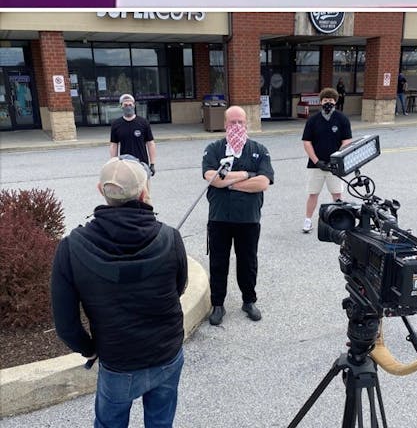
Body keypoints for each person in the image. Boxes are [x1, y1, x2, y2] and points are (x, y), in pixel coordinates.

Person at [51, 156, 187, 428]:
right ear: (144, 192)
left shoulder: (72, 247)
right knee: (161, 423)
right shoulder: (170, 238)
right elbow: (178, 287)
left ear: (101, 191)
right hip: (166, 354)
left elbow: (66, 324)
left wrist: (89, 350)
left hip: (118, 361)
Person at [201, 106, 274, 326]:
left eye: (240, 122)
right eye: (232, 122)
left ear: (247, 123)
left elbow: (263, 182)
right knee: (218, 263)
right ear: (225, 124)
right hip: (219, 218)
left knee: (248, 262)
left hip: (248, 219)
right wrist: (245, 175)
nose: (237, 126)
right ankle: (218, 304)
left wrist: (228, 183)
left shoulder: (259, 149)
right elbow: (212, 178)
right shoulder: (214, 148)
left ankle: (249, 301)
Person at [301, 87, 353, 234]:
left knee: (337, 194)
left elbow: (347, 141)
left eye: (330, 100)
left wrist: (335, 158)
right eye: (325, 100)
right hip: (316, 165)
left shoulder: (342, 119)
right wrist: (317, 161)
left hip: (334, 166)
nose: (328, 102)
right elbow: (307, 142)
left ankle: (339, 220)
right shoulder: (313, 120)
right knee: (313, 194)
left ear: (335, 102)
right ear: (320, 102)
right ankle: (307, 220)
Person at [110, 93, 156, 171]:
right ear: (121, 106)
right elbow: (114, 145)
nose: (128, 107)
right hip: (125, 165)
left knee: (144, 183)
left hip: (142, 164)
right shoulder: (116, 124)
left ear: (134, 105)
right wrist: (113, 163)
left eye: (130, 104)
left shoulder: (143, 122)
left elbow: (150, 143)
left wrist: (152, 164)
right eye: (125, 105)